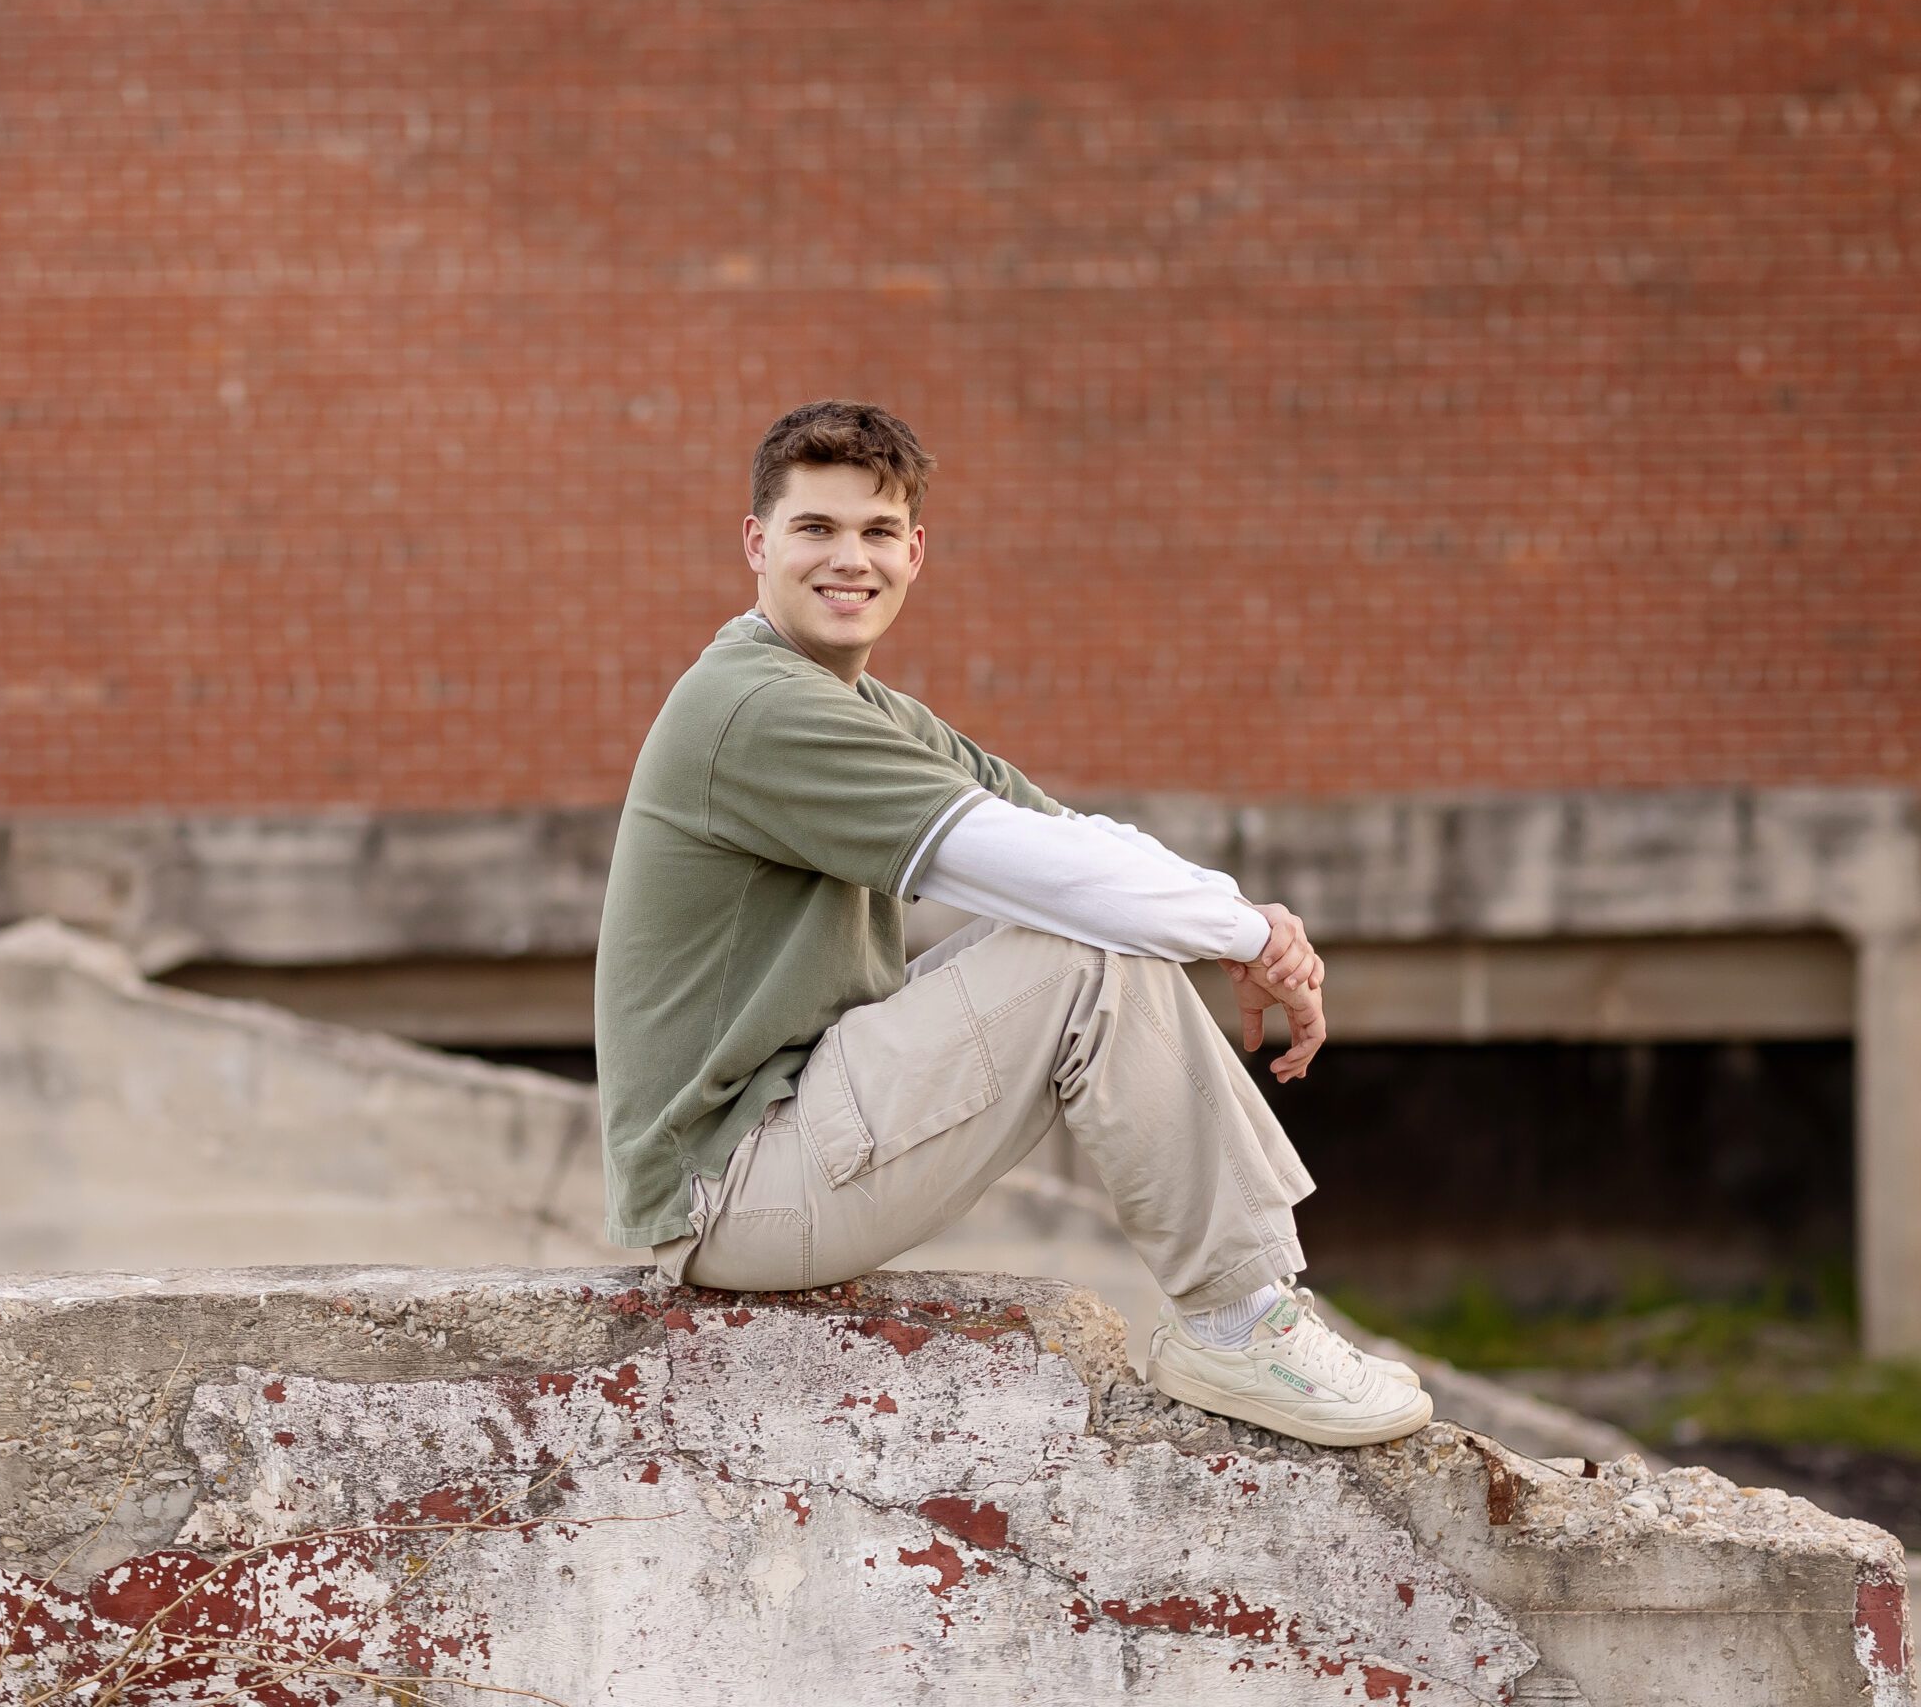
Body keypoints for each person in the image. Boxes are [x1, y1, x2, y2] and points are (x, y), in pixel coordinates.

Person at [593, 400, 1430, 1448]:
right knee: (1081, 944)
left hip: (791, 1130)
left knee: (1092, 921)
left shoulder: (860, 704)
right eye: (815, 528)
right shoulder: (753, 708)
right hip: (730, 1187)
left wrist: (1251, 915)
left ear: (915, 551)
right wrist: (1239, 936)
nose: (849, 558)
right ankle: (1235, 1318)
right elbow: (1025, 869)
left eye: (877, 532)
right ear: (756, 543)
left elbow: (1073, 833)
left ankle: (1246, 1307)